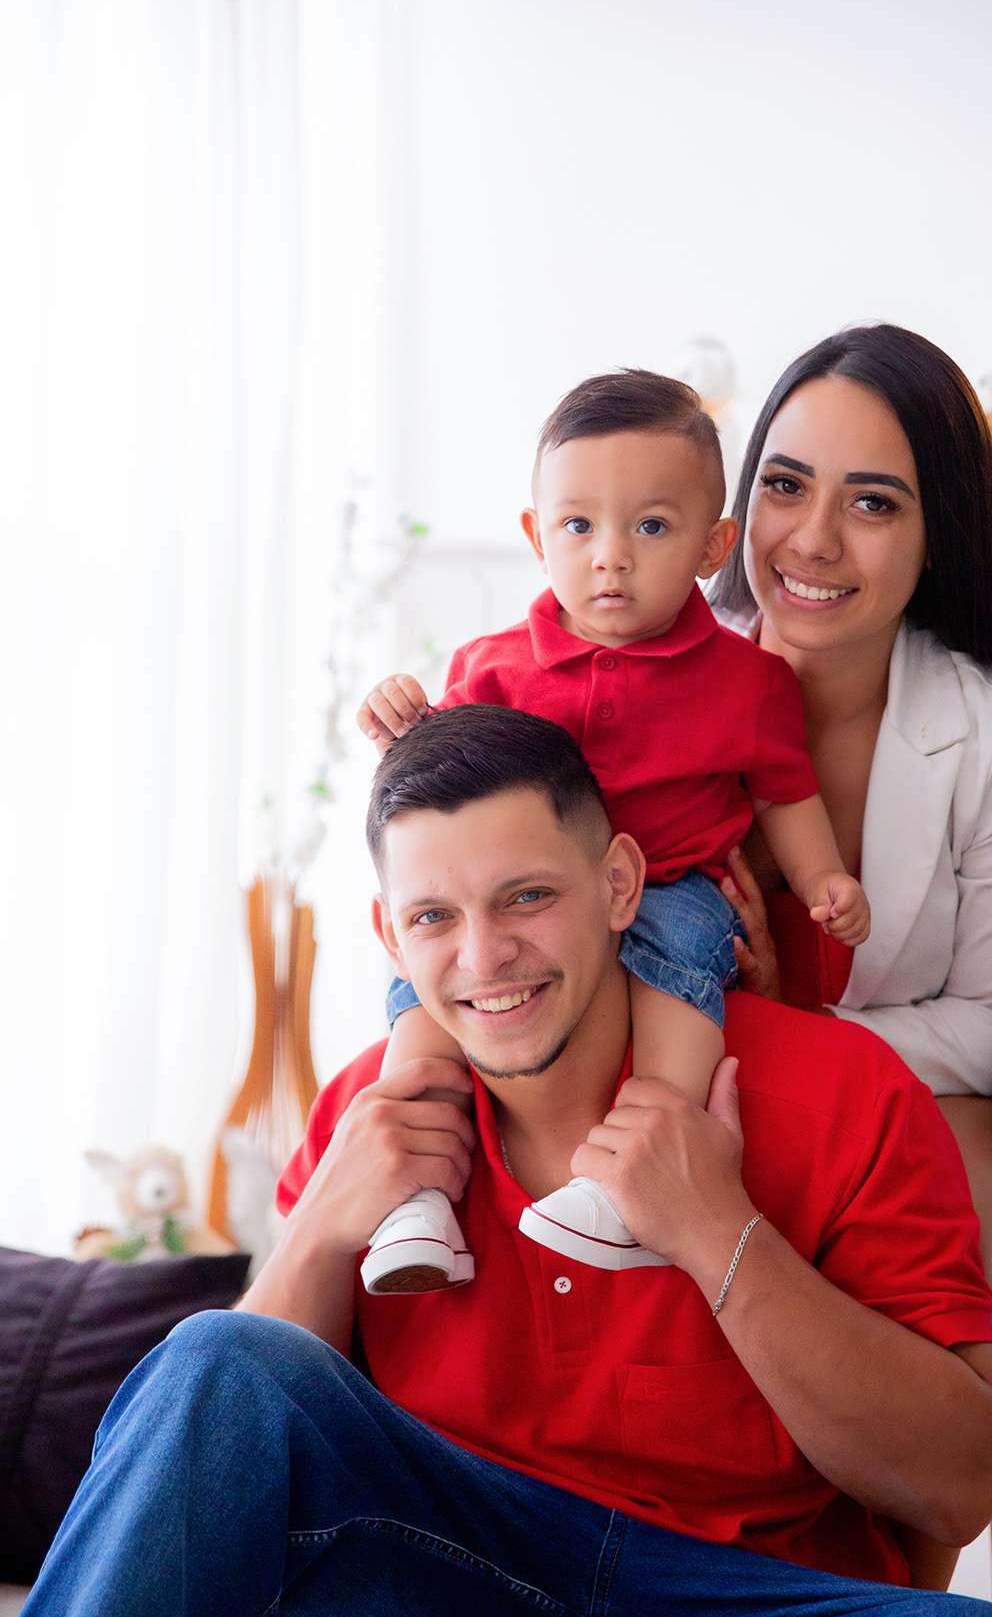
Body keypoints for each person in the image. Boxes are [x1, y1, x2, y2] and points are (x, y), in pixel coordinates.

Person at [0, 705, 992, 1617]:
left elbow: (956, 1483)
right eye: (434, 918)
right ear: (390, 932)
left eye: (524, 898)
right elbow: (232, 1455)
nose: (483, 957)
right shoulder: (368, 1113)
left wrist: (719, 1236)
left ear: (618, 884)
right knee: (216, 1357)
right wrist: (326, 1227)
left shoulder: (845, 1092)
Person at [709, 324, 992, 1585]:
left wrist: (795, 1033)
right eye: (785, 483)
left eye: (873, 502)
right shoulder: (655, 674)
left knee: (948, 1194)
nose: (812, 540)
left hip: (928, 1092)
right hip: (683, 1073)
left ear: (942, 536)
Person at [354, 369, 868, 1295]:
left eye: (653, 527)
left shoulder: (746, 681)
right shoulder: (493, 665)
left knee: (680, 982)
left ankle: (634, 1179)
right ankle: (415, 1197)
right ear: (536, 536)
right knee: (420, 1004)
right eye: (579, 527)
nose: (611, 557)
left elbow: (786, 793)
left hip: (670, 884)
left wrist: (823, 878)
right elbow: (444, 780)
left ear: (716, 545)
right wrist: (403, 713)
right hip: (527, 901)